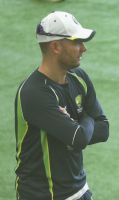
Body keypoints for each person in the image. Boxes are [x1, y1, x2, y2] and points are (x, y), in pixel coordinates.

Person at [14, 11, 109, 200]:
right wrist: (85, 119)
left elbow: (103, 129)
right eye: (76, 42)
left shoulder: (79, 78)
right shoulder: (35, 93)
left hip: (80, 190)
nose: (83, 49)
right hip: (42, 195)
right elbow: (80, 138)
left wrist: (75, 127)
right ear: (56, 46)